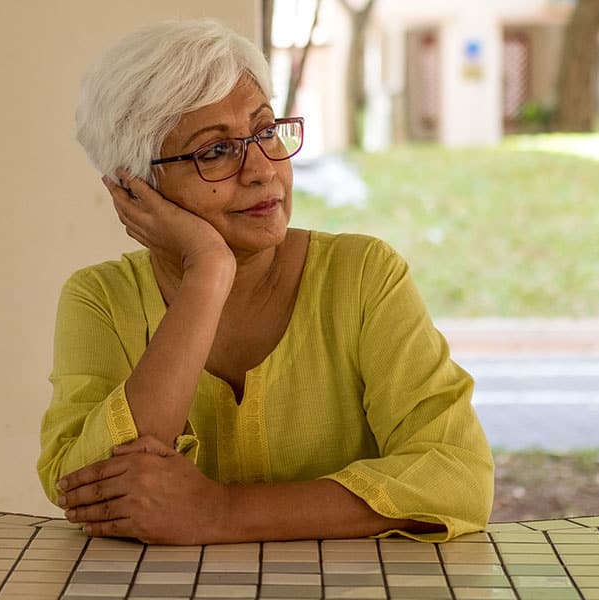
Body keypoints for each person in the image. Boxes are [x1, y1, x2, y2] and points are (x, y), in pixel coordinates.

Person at [37, 18, 493, 545]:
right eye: (215, 151)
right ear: (134, 189)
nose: (263, 169)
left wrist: (221, 513)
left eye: (265, 131)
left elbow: (458, 478)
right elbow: (87, 485)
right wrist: (208, 273)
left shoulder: (363, 275)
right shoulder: (100, 299)